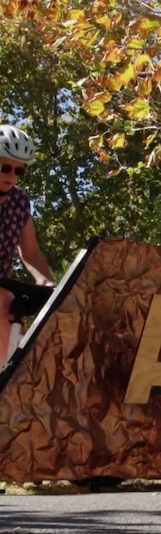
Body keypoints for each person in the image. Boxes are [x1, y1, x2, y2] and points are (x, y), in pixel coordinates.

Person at [0, 125, 55, 361]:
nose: (11, 176)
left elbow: (31, 253)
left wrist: (47, 286)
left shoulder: (19, 200)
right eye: (5, 168)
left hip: (1, 295)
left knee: (15, 364)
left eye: (19, 171)